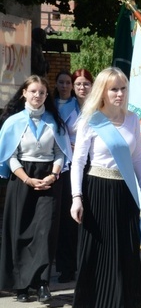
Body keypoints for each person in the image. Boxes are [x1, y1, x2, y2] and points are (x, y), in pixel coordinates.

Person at [67, 67, 141, 308]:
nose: (119, 94)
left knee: (124, 258)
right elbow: (78, 161)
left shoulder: (132, 120)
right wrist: (76, 197)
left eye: (123, 89)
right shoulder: (92, 121)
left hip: (124, 194)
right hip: (97, 193)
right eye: (114, 89)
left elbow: (139, 159)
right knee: (100, 258)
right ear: (102, 91)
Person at [0, 76, 70, 303]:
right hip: (21, 179)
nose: (37, 96)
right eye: (33, 91)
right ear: (24, 93)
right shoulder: (13, 122)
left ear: (46, 96)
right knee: (20, 232)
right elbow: (9, 156)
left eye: (41, 92)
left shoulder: (54, 122)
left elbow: (61, 153)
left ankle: (42, 283)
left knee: (45, 231)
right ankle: (21, 286)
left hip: (49, 179)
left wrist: (53, 174)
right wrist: (28, 179)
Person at [52, 70, 78, 283]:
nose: (64, 85)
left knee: (73, 219)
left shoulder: (78, 105)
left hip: (76, 164)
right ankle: (62, 265)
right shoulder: (50, 105)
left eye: (67, 82)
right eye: (60, 82)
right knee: (59, 219)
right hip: (55, 166)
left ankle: (73, 264)